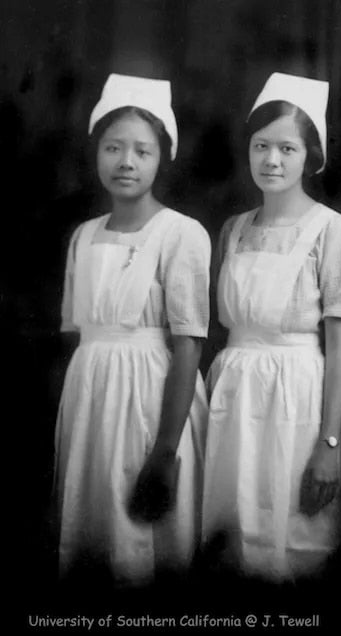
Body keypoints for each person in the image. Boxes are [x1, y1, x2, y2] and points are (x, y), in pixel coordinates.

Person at [201, 73, 341, 582]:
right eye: (261, 146)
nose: (272, 160)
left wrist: (328, 444)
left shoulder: (333, 231)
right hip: (233, 396)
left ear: (311, 156)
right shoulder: (234, 229)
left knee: (291, 539)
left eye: (287, 148)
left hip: (298, 400)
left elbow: (339, 350)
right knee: (231, 532)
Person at [55, 74, 209, 585]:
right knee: (93, 525)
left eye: (142, 151)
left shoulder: (181, 233)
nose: (126, 162)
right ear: (96, 152)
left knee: (146, 542)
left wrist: (165, 450)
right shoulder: (83, 236)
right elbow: (80, 335)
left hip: (153, 399)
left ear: (162, 158)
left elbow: (187, 346)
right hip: (92, 396)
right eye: (113, 147)